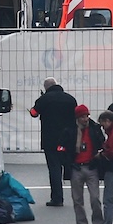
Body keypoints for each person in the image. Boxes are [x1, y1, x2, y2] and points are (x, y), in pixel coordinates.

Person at [30, 77, 78, 207]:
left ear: (46, 88)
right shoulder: (70, 99)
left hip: (50, 139)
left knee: (54, 168)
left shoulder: (44, 99)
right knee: (71, 166)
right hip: (68, 138)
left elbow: (33, 113)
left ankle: (57, 198)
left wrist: (39, 103)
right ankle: (77, 196)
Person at [68, 104, 105, 224]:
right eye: (83, 116)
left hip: (91, 166)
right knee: (77, 200)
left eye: (87, 116)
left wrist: (97, 159)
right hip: (76, 167)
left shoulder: (94, 129)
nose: (85, 119)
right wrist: (70, 163)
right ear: (77, 118)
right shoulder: (71, 130)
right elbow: (64, 148)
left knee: (95, 199)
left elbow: (102, 144)